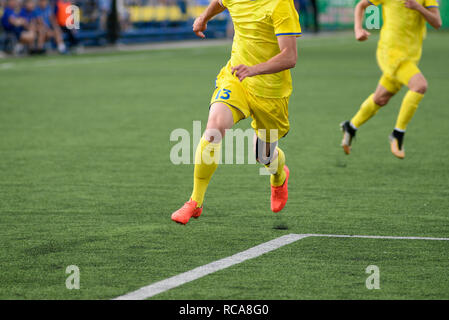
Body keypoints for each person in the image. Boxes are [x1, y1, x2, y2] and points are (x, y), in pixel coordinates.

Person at [171, 0, 301, 224]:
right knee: (214, 129)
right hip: (237, 78)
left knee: (263, 156)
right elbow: (221, 2)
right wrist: (203, 18)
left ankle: (279, 176)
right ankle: (195, 201)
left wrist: (254, 70)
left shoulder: (280, 4)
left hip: (271, 92)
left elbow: (290, 56)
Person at [341, 0, 441, 159]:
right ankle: (397, 134)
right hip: (390, 54)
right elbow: (361, 5)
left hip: (411, 57)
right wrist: (358, 29)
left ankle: (351, 127)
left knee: (380, 98)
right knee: (419, 86)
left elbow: (437, 23)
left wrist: (418, 7)